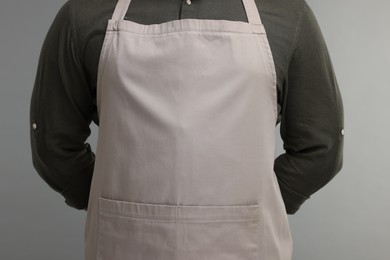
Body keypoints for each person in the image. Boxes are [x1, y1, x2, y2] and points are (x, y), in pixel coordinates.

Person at [29, 0, 344, 259]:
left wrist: (266, 203)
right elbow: (54, 142)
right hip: (138, 241)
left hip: (134, 237)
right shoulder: (83, 13)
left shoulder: (287, 13)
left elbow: (320, 145)